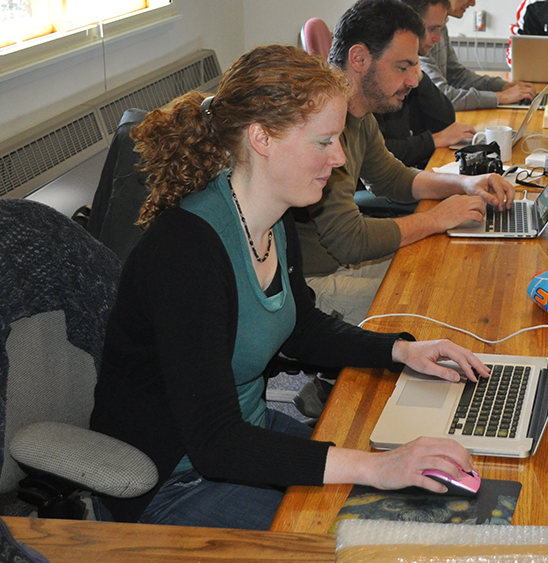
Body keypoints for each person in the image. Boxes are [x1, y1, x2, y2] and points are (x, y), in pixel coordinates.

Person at [89, 45, 491, 530]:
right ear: (261, 138)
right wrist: (375, 467)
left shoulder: (272, 217)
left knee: (422, 507)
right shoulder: (185, 252)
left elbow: (299, 328)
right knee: (353, 535)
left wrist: (400, 352)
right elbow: (215, 445)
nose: (340, 158)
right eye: (323, 142)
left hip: (245, 438)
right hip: (173, 479)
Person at [295, 0, 515, 325]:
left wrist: (466, 183)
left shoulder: (359, 111)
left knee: (453, 267)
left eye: (413, 66)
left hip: (339, 263)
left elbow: (392, 178)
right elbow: (350, 241)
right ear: (359, 59)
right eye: (402, 68)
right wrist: (436, 218)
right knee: (443, 301)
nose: (412, 81)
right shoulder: (322, 125)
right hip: (311, 283)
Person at [374, 0, 475, 168]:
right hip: (381, 184)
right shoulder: (378, 72)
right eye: (432, 29)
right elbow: (377, 155)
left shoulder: (410, 68)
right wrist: (433, 141)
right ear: (406, 25)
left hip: (406, 170)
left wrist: (418, 75)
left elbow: (445, 121)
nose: (437, 38)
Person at [422, 0, 535, 109]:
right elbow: (440, 95)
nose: (472, 2)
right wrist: (500, 97)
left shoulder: (440, 23)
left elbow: (456, 76)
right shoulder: (419, 29)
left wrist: (501, 86)